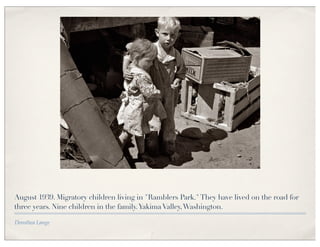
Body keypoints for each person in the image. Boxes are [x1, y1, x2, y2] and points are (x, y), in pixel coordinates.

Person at [117, 38, 167, 164]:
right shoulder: (139, 76)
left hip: (138, 110)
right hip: (135, 111)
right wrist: (159, 93)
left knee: (139, 133)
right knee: (127, 133)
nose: (151, 64)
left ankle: (141, 153)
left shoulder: (132, 67)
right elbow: (149, 93)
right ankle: (116, 153)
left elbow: (129, 52)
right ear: (137, 58)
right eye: (149, 61)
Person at [149, 17, 186, 161]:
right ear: (157, 32)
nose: (169, 39)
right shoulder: (150, 50)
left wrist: (177, 80)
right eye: (165, 34)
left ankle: (168, 148)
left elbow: (181, 72)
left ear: (177, 36)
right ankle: (152, 148)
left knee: (169, 120)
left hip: (170, 93)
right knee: (152, 120)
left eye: (173, 35)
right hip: (152, 93)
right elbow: (135, 60)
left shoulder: (176, 55)